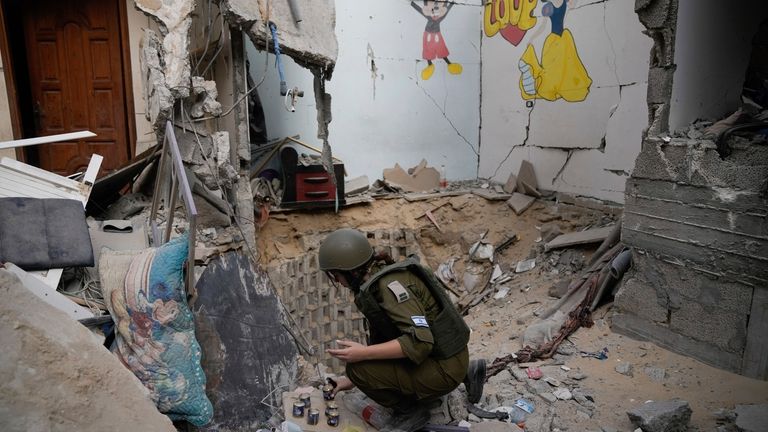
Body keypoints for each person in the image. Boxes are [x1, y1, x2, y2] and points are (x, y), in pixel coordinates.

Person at [319, 228, 485, 432]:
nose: (337, 281)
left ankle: (410, 412)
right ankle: (467, 373)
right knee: (363, 365)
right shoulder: (383, 276)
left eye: (336, 275)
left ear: (351, 271)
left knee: (358, 368)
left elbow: (420, 342)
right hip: (449, 355)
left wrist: (362, 355)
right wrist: (349, 382)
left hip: (443, 366)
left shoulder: (388, 287)